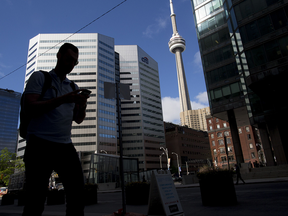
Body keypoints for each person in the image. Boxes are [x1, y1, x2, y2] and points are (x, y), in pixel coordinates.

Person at [22, 43, 89, 216]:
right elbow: (30, 106)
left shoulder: (73, 87)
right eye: (69, 59)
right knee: (34, 200)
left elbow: (78, 120)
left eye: (75, 62)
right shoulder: (40, 77)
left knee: (77, 193)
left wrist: (81, 106)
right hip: (39, 143)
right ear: (58, 55)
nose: (71, 64)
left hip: (65, 145)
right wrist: (63, 99)